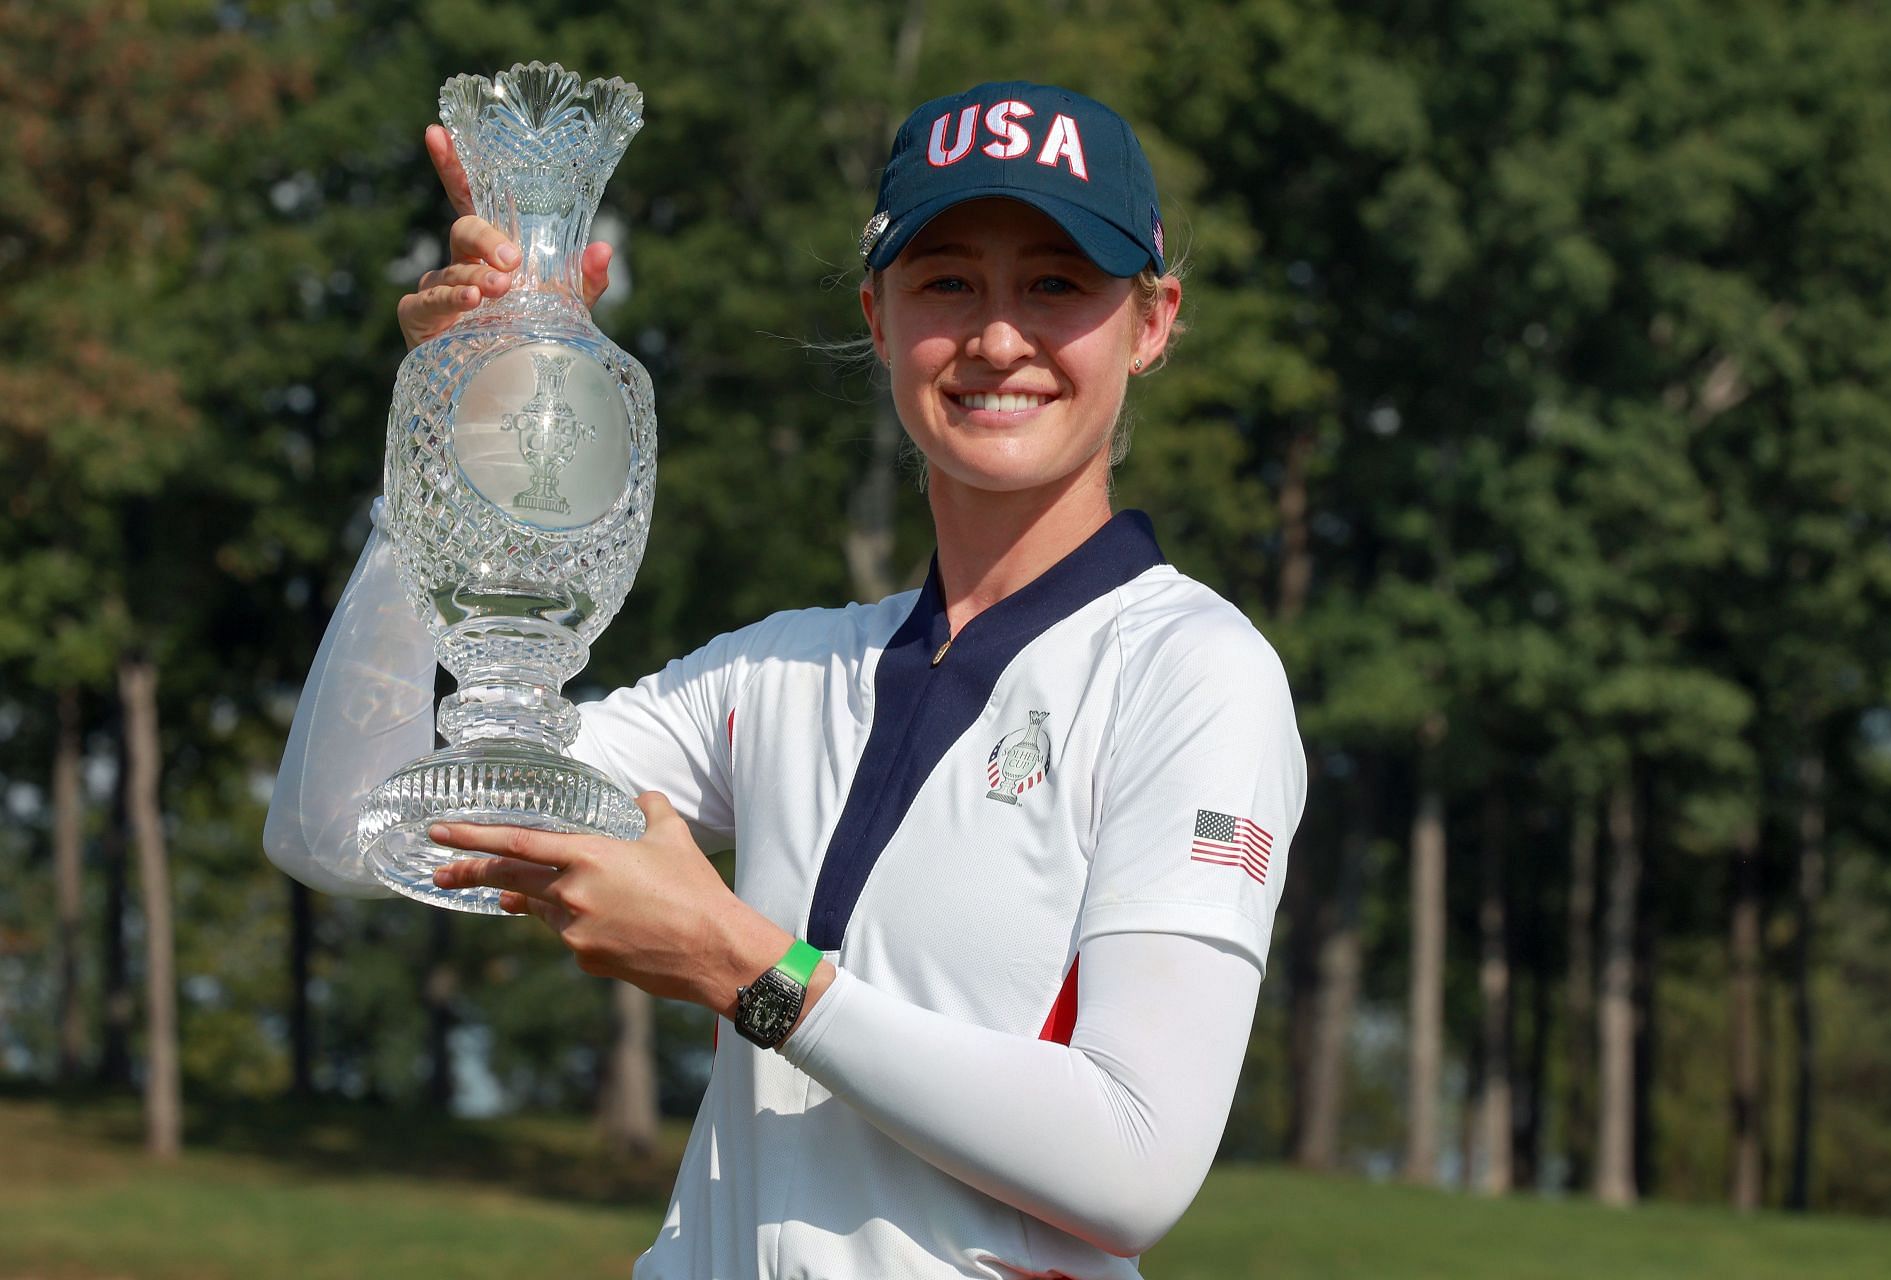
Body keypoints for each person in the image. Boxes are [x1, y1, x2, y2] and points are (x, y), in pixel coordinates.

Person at [266, 80, 1306, 1279]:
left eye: (1059, 283)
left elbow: (1135, 1162)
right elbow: (343, 826)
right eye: (949, 280)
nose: (999, 336)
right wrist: (454, 421)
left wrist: (741, 965)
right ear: (877, 314)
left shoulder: (1191, 671)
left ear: (1153, 320)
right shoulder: (782, 670)